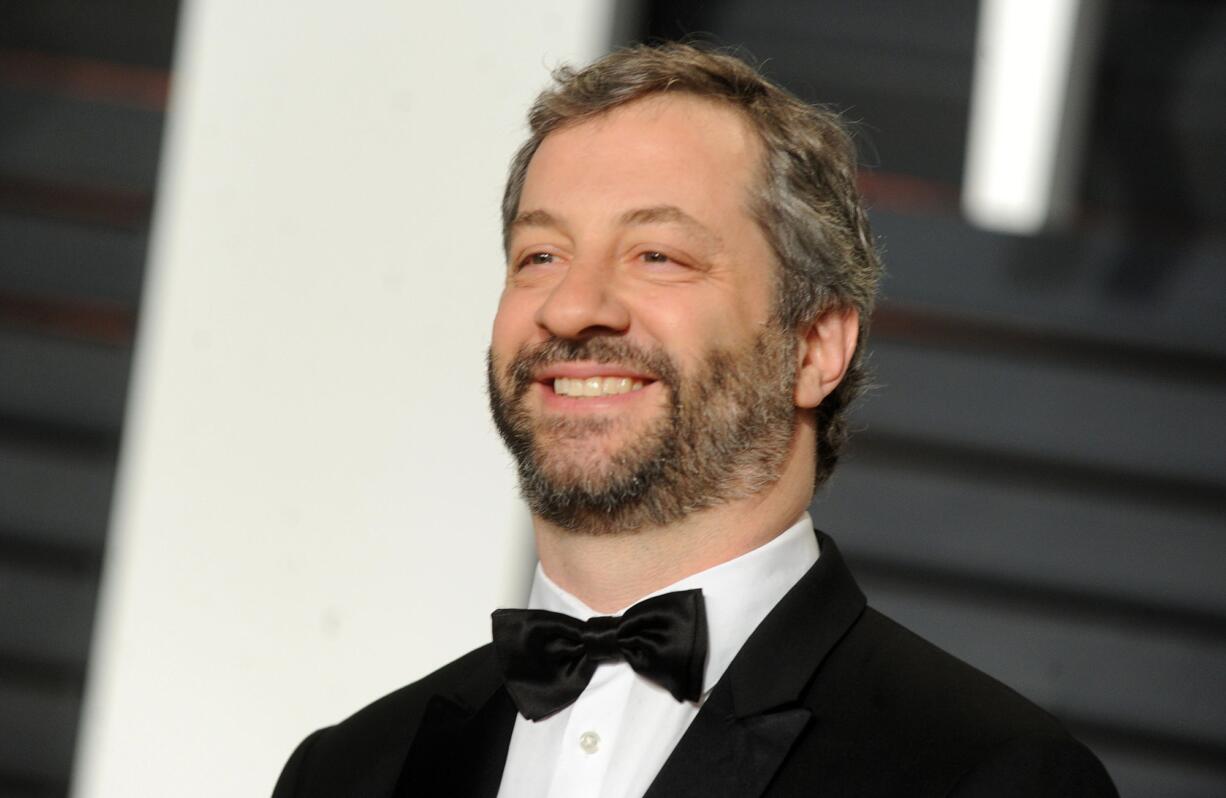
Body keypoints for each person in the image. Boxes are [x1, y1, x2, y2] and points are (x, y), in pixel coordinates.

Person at [272, 43, 1117, 797]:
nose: (573, 307)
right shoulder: (347, 771)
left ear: (814, 346)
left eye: (656, 256)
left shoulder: (997, 778)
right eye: (541, 256)